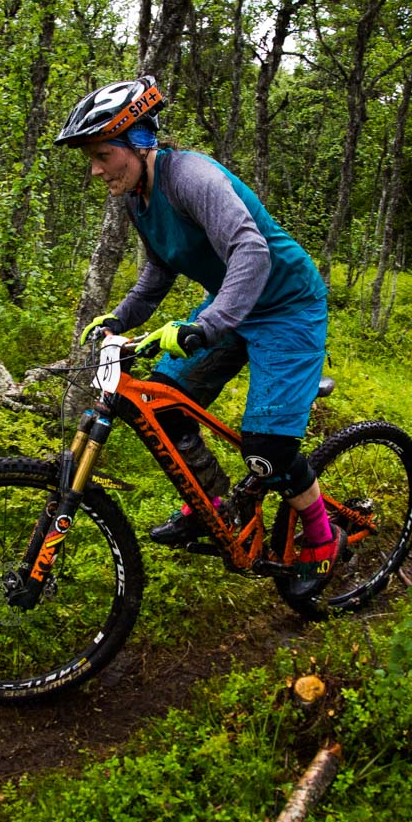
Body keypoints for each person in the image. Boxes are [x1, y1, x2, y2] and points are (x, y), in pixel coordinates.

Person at [55, 75, 343, 599]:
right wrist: (118, 319)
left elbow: (251, 250)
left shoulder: (191, 177)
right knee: (165, 405)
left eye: (101, 154)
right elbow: (159, 270)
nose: (95, 169)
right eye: (90, 158)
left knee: (268, 448)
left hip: (286, 306)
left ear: (138, 143)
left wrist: (206, 326)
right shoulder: (136, 197)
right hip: (231, 304)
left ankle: (323, 537)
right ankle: (215, 510)